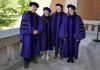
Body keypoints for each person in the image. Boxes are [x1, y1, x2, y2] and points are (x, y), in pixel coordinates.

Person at [20, 2, 43, 68]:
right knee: (27, 47)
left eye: (35, 7)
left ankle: (32, 58)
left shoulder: (37, 16)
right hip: (27, 35)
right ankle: (26, 61)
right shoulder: (26, 15)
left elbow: (40, 25)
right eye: (33, 6)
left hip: (35, 35)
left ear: (36, 8)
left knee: (34, 47)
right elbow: (24, 26)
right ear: (30, 7)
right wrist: (32, 31)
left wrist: (38, 31)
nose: (34, 7)